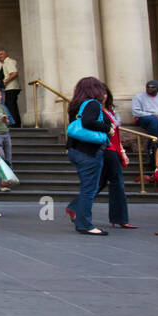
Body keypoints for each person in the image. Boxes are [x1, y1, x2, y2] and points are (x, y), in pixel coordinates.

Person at [64, 76, 110, 235]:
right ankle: (84, 224)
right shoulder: (93, 104)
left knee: (88, 187)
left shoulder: (75, 106)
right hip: (89, 151)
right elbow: (88, 123)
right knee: (89, 189)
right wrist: (106, 128)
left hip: (75, 151)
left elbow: (73, 128)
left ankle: (76, 212)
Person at [99, 90, 135, 230]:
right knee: (117, 182)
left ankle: (75, 207)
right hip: (106, 149)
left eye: (104, 93)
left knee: (100, 182)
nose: (102, 95)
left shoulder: (110, 111)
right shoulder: (95, 110)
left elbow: (117, 134)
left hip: (114, 148)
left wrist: (122, 151)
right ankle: (120, 218)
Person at [0, 49, 20, 127]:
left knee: (10, 106)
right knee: (13, 105)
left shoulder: (8, 62)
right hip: (12, 87)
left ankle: (14, 124)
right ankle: (16, 123)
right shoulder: (7, 62)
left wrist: (4, 82)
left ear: (6, 54)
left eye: (1, 54)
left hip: (11, 87)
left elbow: (14, 73)